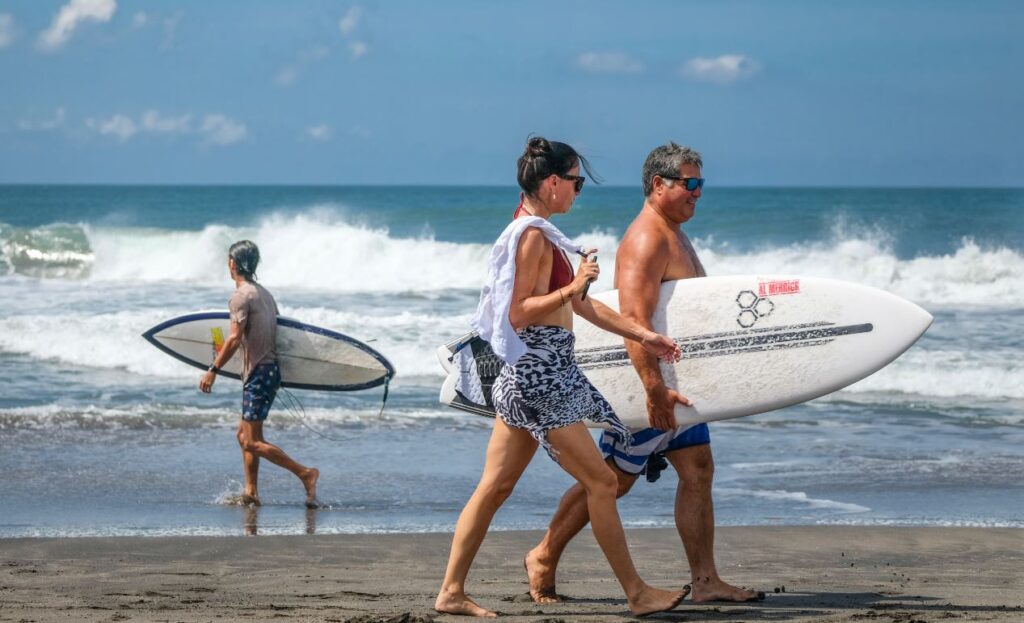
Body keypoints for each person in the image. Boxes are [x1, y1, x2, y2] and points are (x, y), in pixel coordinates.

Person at [435, 137, 689, 618]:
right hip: (538, 379)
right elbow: (518, 313)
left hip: (533, 376)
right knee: (601, 482)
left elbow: (580, 305)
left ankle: (450, 591)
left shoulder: (541, 233)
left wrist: (643, 334)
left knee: (494, 487)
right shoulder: (531, 236)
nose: (578, 191)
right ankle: (636, 593)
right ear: (552, 183)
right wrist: (574, 284)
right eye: (575, 182)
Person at [524, 143, 764, 603]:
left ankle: (706, 581)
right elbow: (635, 320)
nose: (698, 193)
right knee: (614, 478)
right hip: (654, 386)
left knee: (697, 468)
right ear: (659, 185)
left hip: (678, 386)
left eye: (701, 184)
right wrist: (653, 391)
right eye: (689, 184)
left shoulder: (673, 231)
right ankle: (545, 553)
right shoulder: (647, 239)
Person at [199, 240, 320, 509]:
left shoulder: (240, 297)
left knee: (252, 441)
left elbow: (233, 338)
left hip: (258, 373)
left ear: (233, 263)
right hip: (269, 371)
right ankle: (251, 491)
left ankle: (306, 474)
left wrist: (213, 370)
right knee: (243, 437)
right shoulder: (264, 294)